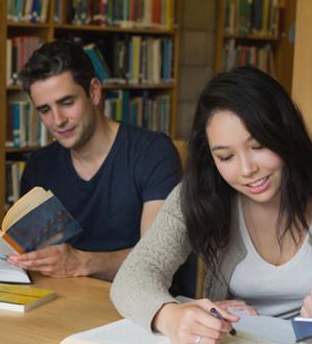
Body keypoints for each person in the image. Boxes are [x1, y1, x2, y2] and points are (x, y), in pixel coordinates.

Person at [111, 68, 312, 344]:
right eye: (226, 156)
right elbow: (134, 275)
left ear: (285, 132)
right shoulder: (200, 190)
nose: (248, 170)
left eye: (259, 146)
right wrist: (170, 316)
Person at [13, 39, 191, 289]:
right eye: (44, 110)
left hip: (142, 303)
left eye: (67, 103)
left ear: (94, 92)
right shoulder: (39, 167)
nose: (58, 120)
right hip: (66, 303)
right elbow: (41, 259)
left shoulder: (153, 153)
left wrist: (81, 263)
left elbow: (156, 260)